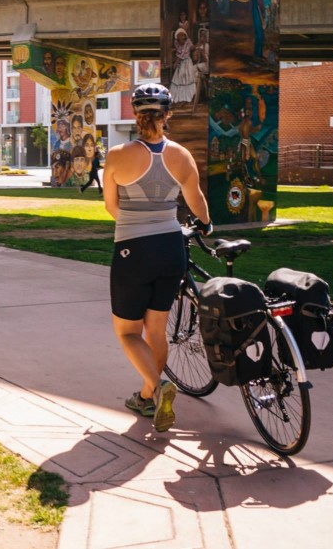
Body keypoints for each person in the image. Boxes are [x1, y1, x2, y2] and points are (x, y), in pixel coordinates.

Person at [103, 84, 211, 432]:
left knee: (127, 332)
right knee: (157, 331)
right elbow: (195, 201)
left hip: (134, 250)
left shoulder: (118, 154)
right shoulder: (181, 155)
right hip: (171, 248)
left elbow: (111, 207)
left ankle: (160, 386)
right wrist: (207, 225)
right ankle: (147, 395)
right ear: (168, 115)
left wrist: (135, 222)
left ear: (136, 115)